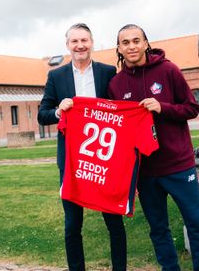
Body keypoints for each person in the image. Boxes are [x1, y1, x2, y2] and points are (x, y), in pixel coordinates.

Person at [108, 24, 199, 271]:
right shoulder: (115, 84)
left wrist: (162, 107)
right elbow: (119, 130)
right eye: (126, 43)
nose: (132, 46)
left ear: (146, 43)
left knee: (196, 224)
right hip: (145, 172)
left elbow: (192, 108)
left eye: (136, 41)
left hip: (178, 166)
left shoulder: (168, 70)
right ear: (119, 49)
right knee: (158, 229)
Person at [38, 23, 126, 271]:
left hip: (104, 159)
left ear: (92, 42)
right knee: (72, 224)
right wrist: (59, 110)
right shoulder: (56, 76)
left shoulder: (108, 72)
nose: (80, 45)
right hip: (71, 162)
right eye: (75, 41)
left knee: (114, 221)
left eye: (84, 40)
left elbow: (122, 110)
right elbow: (42, 115)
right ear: (68, 45)